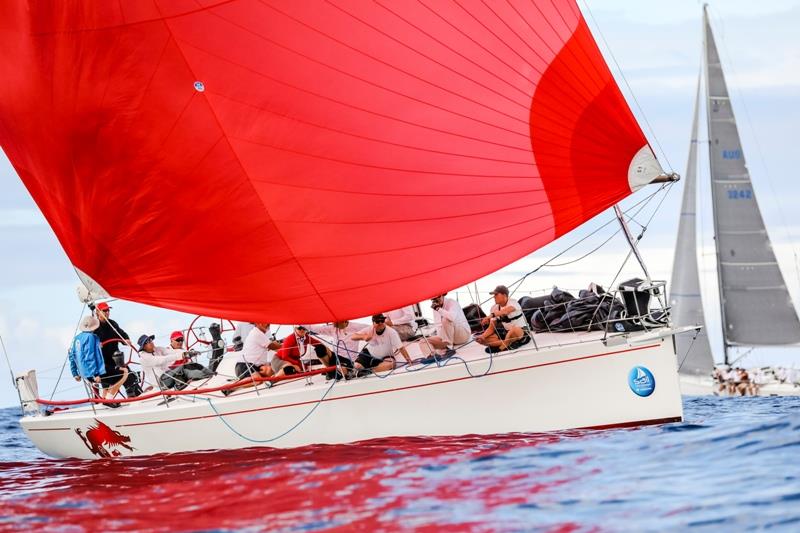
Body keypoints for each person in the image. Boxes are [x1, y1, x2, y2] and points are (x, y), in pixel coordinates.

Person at [93, 302, 142, 397]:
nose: (107, 312)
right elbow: (91, 344)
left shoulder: (113, 324)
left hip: (116, 358)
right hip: (103, 361)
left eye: (108, 310)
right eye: (104, 310)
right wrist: (96, 345)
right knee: (107, 384)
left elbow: (121, 334)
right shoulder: (94, 327)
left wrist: (126, 340)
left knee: (129, 376)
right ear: (97, 312)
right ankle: (105, 401)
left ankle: (134, 395)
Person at [475, 285, 528, 352]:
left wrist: (491, 315)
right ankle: (508, 343)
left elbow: (505, 311)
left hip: (520, 331)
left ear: (504, 295)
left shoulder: (513, 302)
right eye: (494, 295)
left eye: (496, 294)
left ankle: (501, 347)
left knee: (514, 330)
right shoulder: (494, 308)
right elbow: (491, 328)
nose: (494, 297)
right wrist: (482, 336)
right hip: (507, 333)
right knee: (484, 339)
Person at [68, 316, 109, 396]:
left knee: (108, 379)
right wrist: (96, 374)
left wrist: (75, 373)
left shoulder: (77, 338)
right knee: (122, 374)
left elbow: (72, 355)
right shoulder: (91, 337)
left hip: (84, 373)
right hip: (93, 373)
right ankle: (108, 400)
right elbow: (89, 356)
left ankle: (104, 400)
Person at [424, 293, 471, 359]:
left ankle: (449, 348)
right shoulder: (435, 309)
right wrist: (441, 340)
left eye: (437, 297)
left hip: (462, 335)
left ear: (442, 295)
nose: (435, 300)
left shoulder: (452, 302)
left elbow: (451, 317)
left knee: (446, 319)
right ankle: (432, 356)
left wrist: (438, 309)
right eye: (433, 299)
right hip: (448, 339)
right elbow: (438, 325)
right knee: (423, 341)